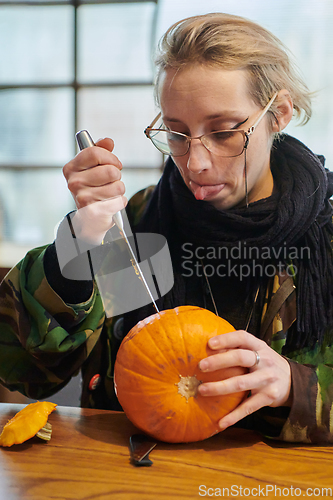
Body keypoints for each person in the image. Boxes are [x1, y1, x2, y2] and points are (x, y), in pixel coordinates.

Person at [1, 12, 333, 444]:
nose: (195, 163)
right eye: (176, 134)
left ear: (280, 112)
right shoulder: (135, 226)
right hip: (132, 472)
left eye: (225, 132)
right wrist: (76, 247)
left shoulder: (324, 240)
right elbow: (27, 372)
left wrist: (294, 386)